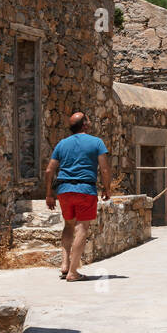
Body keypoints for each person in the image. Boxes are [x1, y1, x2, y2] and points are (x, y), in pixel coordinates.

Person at [45, 111, 112, 282]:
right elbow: (104, 169)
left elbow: (49, 170)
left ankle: (65, 265)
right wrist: (107, 188)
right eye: (88, 119)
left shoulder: (61, 144)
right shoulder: (96, 142)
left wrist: (49, 194)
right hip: (85, 189)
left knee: (68, 226)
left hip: (64, 190)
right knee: (81, 228)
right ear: (85, 125)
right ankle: (73, 272)